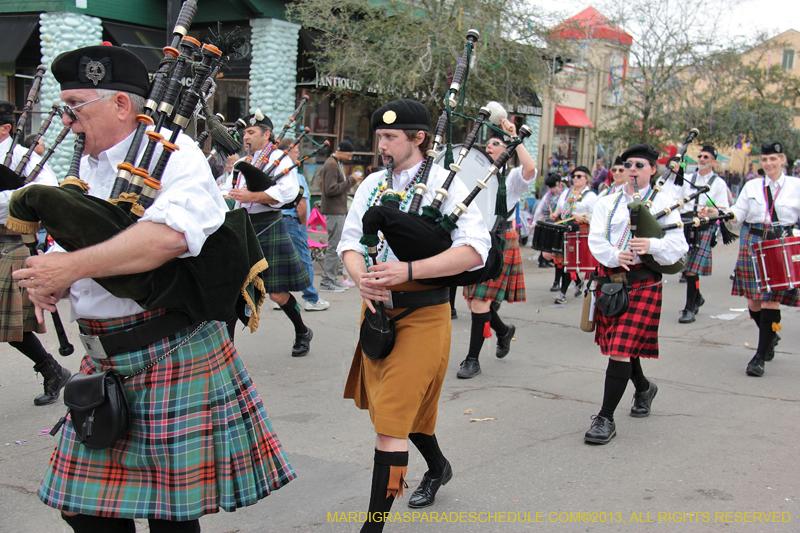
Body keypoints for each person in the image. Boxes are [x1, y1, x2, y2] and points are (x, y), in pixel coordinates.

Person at [13, 45, 294, 532]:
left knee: (170, 519)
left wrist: (71, 266)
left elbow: (166, 238)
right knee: (86, 512)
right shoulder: (89, 165)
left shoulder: (175, 155)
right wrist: (57, 276)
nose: (68, 122)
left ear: (121, 104)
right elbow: (92, 242)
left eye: (75, 106)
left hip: (168, 351)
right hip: (103, 356)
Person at [339, 99, 491, 531]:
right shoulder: (371, 183)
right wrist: (361, 279)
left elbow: (474, 250)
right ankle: (438, 465)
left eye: (390, 138)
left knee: (390, 424)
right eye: (379, 137)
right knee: (399, 412)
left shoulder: (450, 183)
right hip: (379, 314)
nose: (382, 146)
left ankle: (373, 527)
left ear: (418, 138)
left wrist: (409, 270)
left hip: (425, 315)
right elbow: (349, 243)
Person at [584, 143, 688, 444]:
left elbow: (679, 247)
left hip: (644, 282)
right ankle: (643, 387)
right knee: (624, 347)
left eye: (639, 165)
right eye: (628, 165)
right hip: (611, 280)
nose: (632, 170)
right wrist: (616, 255)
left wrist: (650, 246)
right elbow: (596, 240)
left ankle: (605, 417)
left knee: (620, 348)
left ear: (653, 170)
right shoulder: (607, 201)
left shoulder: (666, 202)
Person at [228, 110, 314, 356]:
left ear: (266, 135)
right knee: (235, 289)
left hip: (268, 225)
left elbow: (286, 194)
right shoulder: (241, 162)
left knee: (277, 293)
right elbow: (230, 189)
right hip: (241, 226)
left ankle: (302, 331)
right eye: (245, 132)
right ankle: (228, 351)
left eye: (251, 132)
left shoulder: (280, 158)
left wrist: (251, 196)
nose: (246, 136)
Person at [457, 125, 536, 379]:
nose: (489, 146)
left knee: (479, 302)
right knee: (473, 302)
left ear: (507, 151)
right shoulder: (475, 173)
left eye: (496, 144)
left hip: (499, 239)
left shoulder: (511, 178)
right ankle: (503, 331)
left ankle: (472, 360)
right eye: (488, 144)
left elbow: (531, 169)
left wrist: (515, 138)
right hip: (474, 239)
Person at [0, 100, 64, 406]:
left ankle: (51, 369)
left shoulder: (25, 159)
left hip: (12, 240)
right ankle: (51, 369)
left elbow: (45, 195)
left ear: (5, 128)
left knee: (10, 324)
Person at [724, 142, 800, 377]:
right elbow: (740, 210)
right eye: (765, 160)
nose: (768, 164)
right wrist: (725, 214)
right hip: (753, 243)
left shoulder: (796, 186)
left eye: (773, 159)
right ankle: (770, 335)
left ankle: (759, 356)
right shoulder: (752, 185)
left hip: (780, 244)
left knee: (769, 301)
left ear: (782, 160)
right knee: (753, 302)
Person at [665, 145, 730, 323]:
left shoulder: (718, 183)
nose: (701, 159)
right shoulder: (687, 178)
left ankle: (690, 308)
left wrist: (710, 211)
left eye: (706, 157)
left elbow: (724, 209)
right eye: (700, 156)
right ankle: (697, 297)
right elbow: (674, 197)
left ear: (713, 162)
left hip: (704, 227)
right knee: (687, 268)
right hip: (686, 225)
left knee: (692, 270)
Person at [279, 137, 329, 311]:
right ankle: (311, 298)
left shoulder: (278, 173)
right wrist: (302, 223)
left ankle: (282, 297)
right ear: (288, 152)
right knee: (304, 260)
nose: (299, 154)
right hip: (293, 222)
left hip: (279, 221)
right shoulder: (295, 175)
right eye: (296, 150)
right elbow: (300, 203)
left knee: (282, 260)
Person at [320, 140, 362, 292]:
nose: (350, 159)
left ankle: (331, 279)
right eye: (349, 155)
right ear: (341, 152)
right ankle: (326, 281)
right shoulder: (331, 165)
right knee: (334, 247)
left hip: (337, 210)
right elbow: (330, 190)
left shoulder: (335, 163)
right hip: (334, 211)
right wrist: (351, 180)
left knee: (337, 245)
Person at [552, 166, 597, 304]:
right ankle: (577, 282)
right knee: (565, 262)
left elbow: (596, 215)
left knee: (570, 262)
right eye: (574, 176)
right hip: (566, 229)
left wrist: (584, 218)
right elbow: (559, 209)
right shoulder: (567, 194)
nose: (575, 179)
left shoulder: (591, 196)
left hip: (580, 233)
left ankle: (562, 293)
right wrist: (555, 214)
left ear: (586, 179)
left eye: (579, 176)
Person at [531, 171, 563, 270]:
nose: (553, 190)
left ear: (560, 185)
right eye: (551, 188)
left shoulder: (564, 194)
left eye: (555, 188)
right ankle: (542, 260)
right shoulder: (548, 196)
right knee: (545, 241)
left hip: (558, 221)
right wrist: (534, 222)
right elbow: (539, 209)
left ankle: (549, 260)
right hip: (548, 220)